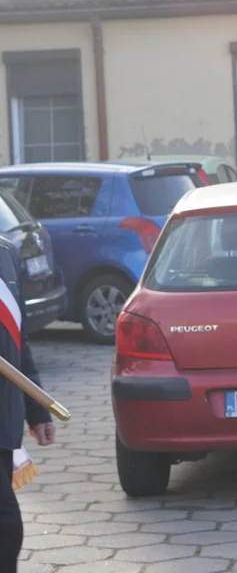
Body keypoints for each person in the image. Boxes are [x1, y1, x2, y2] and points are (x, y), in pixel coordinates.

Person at [1, 236, 56, 571]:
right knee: (6, 522)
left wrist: (36, 408)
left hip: (5, 414)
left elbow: (18, 338)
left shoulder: (6, 252)